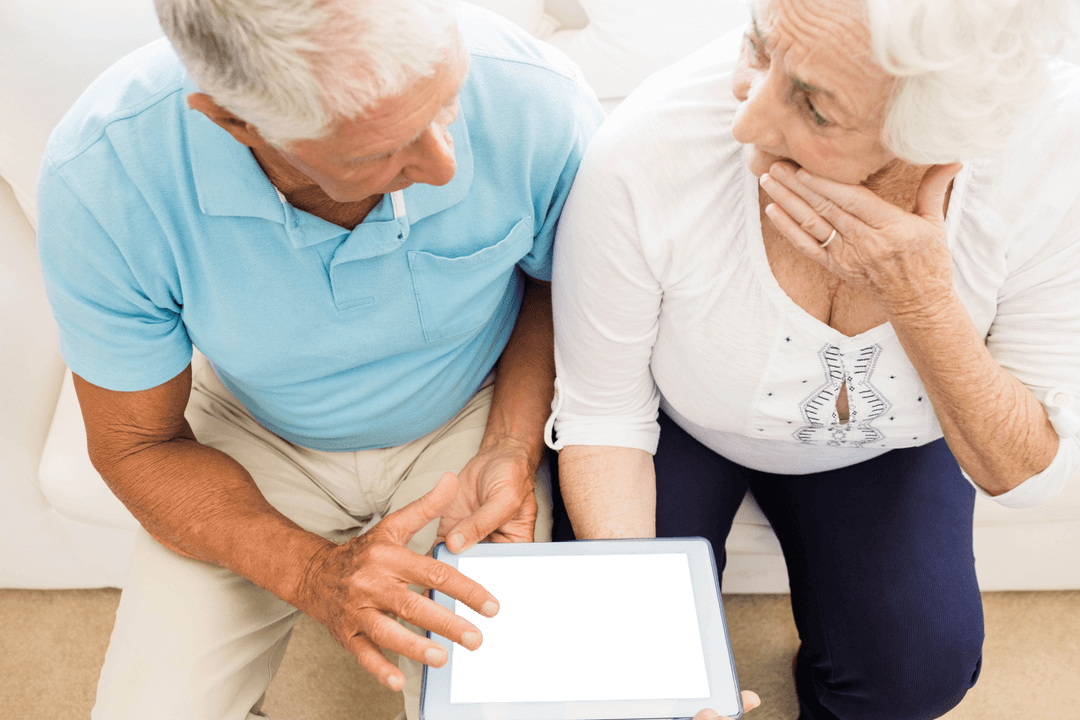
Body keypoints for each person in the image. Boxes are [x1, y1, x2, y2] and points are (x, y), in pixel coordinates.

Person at [35, 0, 607, 718]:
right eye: (380, 151)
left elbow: (561, 283)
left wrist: (512, 446)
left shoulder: (537, 96)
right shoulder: (101, 176)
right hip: (253, 431)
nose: (445, 167)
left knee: (503, 704)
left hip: (477, 408)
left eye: (447, 102)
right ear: (235, 124)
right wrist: (311, 574)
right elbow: (136, 445)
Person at [546, 0, 1080, 718]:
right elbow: (602, 414)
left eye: (817, 109)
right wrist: (648, 654)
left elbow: (1026, 475)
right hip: (676, 426)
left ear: (934, 138)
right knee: (605, 662)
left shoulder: (1052, 153)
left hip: (892, 441)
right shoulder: (646, 149)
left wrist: (922, 301)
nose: (747, 123)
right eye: (758, 47)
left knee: (918, 671)